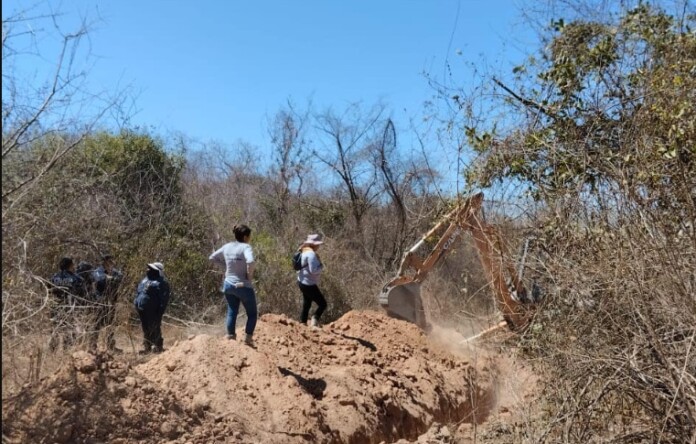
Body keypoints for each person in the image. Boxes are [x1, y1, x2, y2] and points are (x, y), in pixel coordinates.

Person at [209, 224, 257, 346]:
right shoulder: (246, 247)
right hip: (243, 285)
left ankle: (231, 337)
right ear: (246, 236)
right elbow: (250, 261)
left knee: (232, 311)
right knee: (252, 314)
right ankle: (248, 339)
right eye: (249, 236)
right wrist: (249, 276)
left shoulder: (227, 246)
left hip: (228, 284)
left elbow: (212, 258)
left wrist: (226, 267)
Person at [48, 257, 85, 351]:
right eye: (73, 264)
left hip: (55, 306)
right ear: (70, 266)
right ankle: (66, 351)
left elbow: (49, 290)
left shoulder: (54, 277)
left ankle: (52, 351)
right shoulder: (76, 278)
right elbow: (82, 293)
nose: (74, 266)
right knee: (69, 329)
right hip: (70, 307)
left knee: (55, 329)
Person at [133, 262, 170, 354]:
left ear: (157, 271)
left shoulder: (161, 283)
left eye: (150, 269)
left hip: (153, 310)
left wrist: (160, 312)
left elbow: (164, 299)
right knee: (145, 328)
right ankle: (147, 347)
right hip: (142, 309)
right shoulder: (145, 280)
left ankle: (158, 346)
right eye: (148, 268)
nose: (148, 270)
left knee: (154, 327)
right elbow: (139, 292)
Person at [91, 254, 123, 351]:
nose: (112, 263)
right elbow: (100, 279)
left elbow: (120, 278)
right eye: (110, 261)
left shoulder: (115, 272)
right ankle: (93, 346)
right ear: (105, 261)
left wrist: (110, 278)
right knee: (97, 324)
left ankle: (110, 346)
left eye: (112, 261)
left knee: (110, 325)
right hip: (100, 302)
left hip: (112, 301)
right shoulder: (97, 271)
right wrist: (109, 278)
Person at [297, 234, 328, 328]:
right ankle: (314, 320)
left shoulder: (303, 251)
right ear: (314, 245)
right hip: (308, 283)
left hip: (301, 281)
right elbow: (314, 270)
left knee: (307, 303)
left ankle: (303, 322)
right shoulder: (311, 254)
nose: (319, 246)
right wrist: (321, 266)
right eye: (318, 244)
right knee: (323, 304)